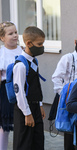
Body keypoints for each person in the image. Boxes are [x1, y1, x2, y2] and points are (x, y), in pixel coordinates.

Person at [13, 26, 46, 150]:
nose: (42, 46)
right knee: (24, 143)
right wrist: (27, 113)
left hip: (35, 106)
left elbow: (35, 85)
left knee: (37, 142)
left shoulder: (34, 61)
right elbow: (19, 92)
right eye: (40, 44)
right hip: (24, 109)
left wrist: (40, 104)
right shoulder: (21, 65)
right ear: (28, 43)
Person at [0, 21, 22, 150]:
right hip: (6, 92)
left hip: (22, 89)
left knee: (21, 123)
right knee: (4, 126)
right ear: (2, 38)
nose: (15, 35)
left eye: (15, 32)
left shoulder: (23, 51)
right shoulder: (2, 54)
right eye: (10, 33)